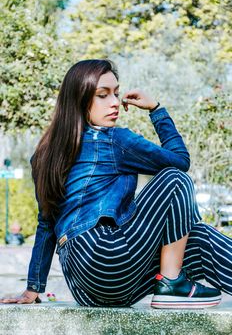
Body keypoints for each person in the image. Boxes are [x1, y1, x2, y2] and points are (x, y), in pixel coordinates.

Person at [1, 59, 231, 308]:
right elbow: (180, 161)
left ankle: (171, 283)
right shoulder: (114, 140)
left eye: (116, 93)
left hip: (85, 287)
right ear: (79, 99)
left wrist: (34, 287)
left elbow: (47, 223)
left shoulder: (44, 154)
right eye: (103, 95)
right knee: (175, 178)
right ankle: (172, 283)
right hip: (105, 254)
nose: (114, 102)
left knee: (200, 239)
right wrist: (156, 109)